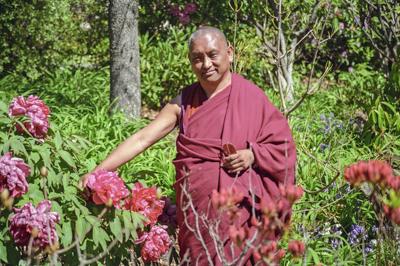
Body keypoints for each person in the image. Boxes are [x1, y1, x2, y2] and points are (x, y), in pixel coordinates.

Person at [81, 26, 296, 265]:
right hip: (195, 214)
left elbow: (282, 145)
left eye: (213, 55)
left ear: (230, 53)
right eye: (197, 58)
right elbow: (143, 139)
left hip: (237, 217)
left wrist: (253, 154)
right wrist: (98, 171)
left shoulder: (251, 97)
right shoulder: (184, 102)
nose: (206, 64)